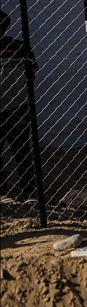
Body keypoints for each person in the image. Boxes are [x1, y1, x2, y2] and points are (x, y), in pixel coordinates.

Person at [0, 11, 36, 203]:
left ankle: (28, 194)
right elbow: (31, 73)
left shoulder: (19, 47)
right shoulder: (20, 47)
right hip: (19, 106)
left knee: (22, 151)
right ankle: (4, 194)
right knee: (21, 152)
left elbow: (32, 72)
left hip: (17, 108)